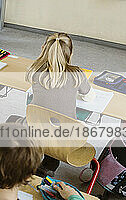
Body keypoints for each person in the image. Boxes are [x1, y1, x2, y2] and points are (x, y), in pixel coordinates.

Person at [26, 32, 94, 176]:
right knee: (59, 130)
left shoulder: (34, 71)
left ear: (43, 48)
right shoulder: (76, 74)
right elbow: (88, 96)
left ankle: (34, 163)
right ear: (71, 53)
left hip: (35, 131)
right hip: (65, 140)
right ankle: (47, 167)